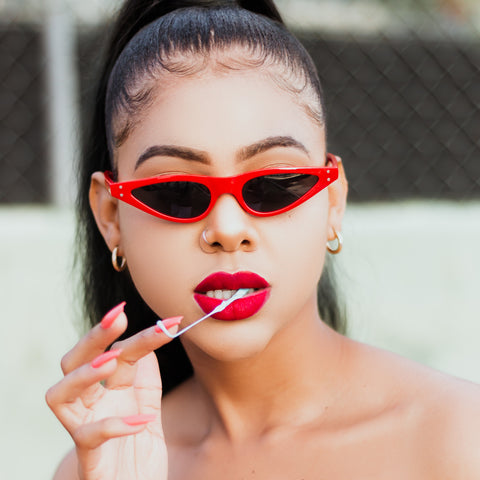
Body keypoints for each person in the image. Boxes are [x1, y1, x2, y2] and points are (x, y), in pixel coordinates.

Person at [46, 1, 480, 478]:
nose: (228, 231)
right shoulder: (99, 462)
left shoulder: (458, 438)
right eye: (176, 192)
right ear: (110, 216)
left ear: (333, 202)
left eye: (274, 183)